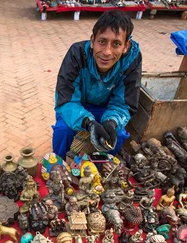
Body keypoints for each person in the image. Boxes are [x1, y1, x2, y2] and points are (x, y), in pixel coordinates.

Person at [52, 10, 142, 159]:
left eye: (116, 44)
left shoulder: (131, 60)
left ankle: (103, 167)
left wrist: (111, 122)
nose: (107, 52)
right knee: (63, 131)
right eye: (102, 41)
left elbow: (124, 103)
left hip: (107, 109)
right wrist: (89, 122)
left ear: (126, 45)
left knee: (117, 135)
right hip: (76, 106)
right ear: (92, 40)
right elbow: (66, 100)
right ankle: (58, 166)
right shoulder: (77, 54)